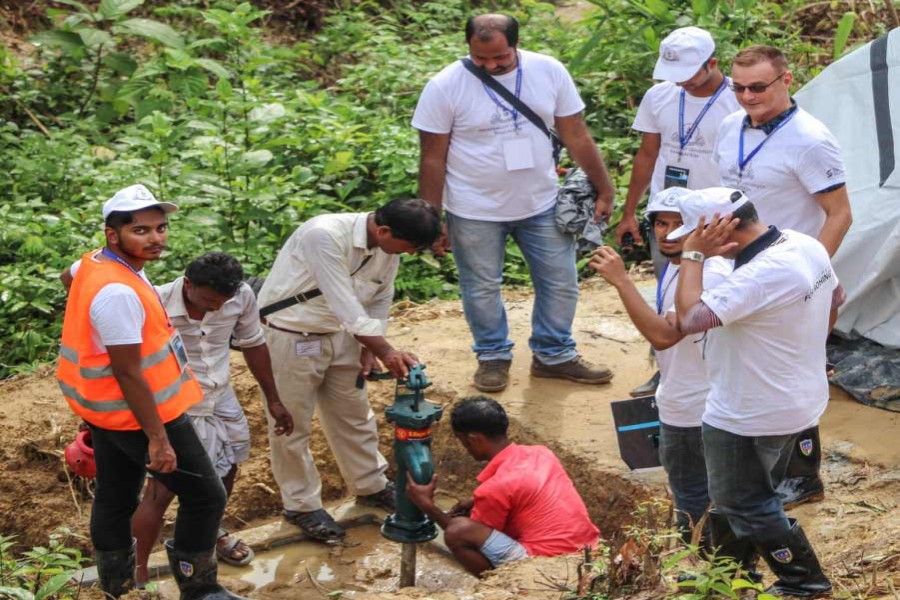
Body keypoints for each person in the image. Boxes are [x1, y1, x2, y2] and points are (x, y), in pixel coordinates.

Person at [55, 184, 244, 600]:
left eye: (160, 228)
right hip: (143, 414)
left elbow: (67, 275)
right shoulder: (119, 292)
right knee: (206, 496)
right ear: (112, 234)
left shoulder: (94, 264)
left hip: (104, 410)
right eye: (140, 230)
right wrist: (158, 438)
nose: (155, 238)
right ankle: (200, 589)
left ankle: (117, 589)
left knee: (115, 496)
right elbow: (128, 371)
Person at [413, 13, 617, 393]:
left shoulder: (549, 71)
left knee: (560, 282)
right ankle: (492, 356)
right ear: (468, 47)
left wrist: (604, 187)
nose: (490, 66)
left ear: (516, 46)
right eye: (480, 58)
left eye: (500, 59)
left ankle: (553, 355)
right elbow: (432, 157)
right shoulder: (444, 86)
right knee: (481, 287)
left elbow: (576, 134)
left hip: (540, 201)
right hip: (473, 208)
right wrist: (430, 217)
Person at [672, 187, 842, 597]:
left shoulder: (761, 274)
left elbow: (691, 318)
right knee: (736, 493)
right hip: (794, 396)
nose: (687, 246)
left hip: (748, 412)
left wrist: (694, 257)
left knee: (745, 500)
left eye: (694, 235)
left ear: (720, 229)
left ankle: (804, 582)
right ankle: (730, 574)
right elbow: (836, 296)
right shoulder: (803, 243)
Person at [715, 45, 853, 508]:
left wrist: (814, 272)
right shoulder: (730, 126)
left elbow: (840, 214)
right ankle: (756, 466)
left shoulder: (810, 138)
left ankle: (803, 476)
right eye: (738, 87)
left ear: (786, 79)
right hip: (742, 270)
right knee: (750, 367)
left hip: (790, 277)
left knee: (798, 372)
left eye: (758, 86)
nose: (748, 96)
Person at [257, 198, 441, 541]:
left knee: (354, 413)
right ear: (383, 230)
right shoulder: (323, 235)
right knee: (291, 423)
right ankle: (301, 504)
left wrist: (370, 347)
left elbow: (380, 297)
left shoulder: (389, 248)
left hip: (344, 335)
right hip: (293, 334)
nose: (412, 254)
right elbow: (343, 300)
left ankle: (369, 483)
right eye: (411, 246)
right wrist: (384, 350)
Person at [589, 187, 732, 541]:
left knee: (693, 498)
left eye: (678, 224)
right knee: (702, 495)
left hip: (695, 409)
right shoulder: (677, 265)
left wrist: (622, 282)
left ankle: (703, 572)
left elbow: (665, 336)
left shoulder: (706, 273)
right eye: (660, 223)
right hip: (686, 398)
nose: (667, 233)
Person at [614, 26, 741, 398]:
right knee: (668, 291)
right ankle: (665, 371)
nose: (679, 83)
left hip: (717, 220)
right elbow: (647, 154)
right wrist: (629, 212)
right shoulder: (659, 96)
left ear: (712, 64)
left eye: (686, 74)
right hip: (668, 215)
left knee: (715, 294)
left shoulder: (739, 100)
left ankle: (719, 373)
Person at [405, 396, 599, 575]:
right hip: (588, 549)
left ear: (474, 439)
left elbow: (468, 533)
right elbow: (522, 489)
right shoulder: (541, 453)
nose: (465, 448)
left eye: (463, 441)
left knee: (458, 530)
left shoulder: (494, 489)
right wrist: (475, 502)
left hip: (546, 563)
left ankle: (498, 582)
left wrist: (428, 506)